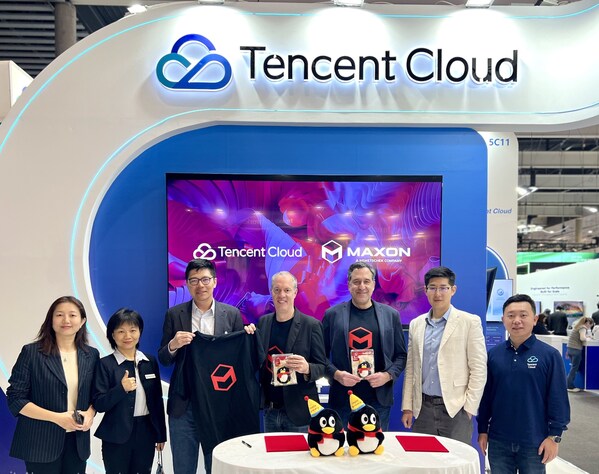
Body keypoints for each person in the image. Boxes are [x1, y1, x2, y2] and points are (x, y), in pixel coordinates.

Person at [158, 258, 243, 474]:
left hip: (218, 405)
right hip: (183, 405)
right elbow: (164, 359)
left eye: (205, 279)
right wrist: (173, 345)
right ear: (187, 284)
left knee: (217, 468)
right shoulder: (174, 314)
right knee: (183, 468)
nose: (200, 285)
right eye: (194, 280)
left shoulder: (231, 314)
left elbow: (239, 359)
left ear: (215, 281)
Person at [477, 294, 570, 473]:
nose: (517, 320)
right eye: (511, 315)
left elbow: (558, 398)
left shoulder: (549, 355)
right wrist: (482, 430)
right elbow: (486, 397)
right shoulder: (494, 355)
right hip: (498, 441)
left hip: (534, 441)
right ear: (503, 320)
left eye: (523, 315)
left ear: (535, 319)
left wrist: (554, 437)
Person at [7, 296, 99, 474]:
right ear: (51, 320)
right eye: (59, 315)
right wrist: (56, 418)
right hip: (40, 442)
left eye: (72, 315)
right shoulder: (32, 353)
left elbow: (96, 394)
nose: (66, 320)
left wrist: (90, 413)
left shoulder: (91, 355)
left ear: (82, 321)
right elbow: (15, 398)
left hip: (77, 443)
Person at [401, 266, 487, 445]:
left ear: (453, 290)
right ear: (425, 290)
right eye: (432, 288)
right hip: (423, 408)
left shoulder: (469, 322)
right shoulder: (417, 324)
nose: (438, 293)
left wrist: (469, 408)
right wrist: (408, 407)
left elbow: (479, 368)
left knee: (455, 460)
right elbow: (411, 369)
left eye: (443, 288)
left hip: (455, 409)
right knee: (424, 459)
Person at [322, 261, 407, 430]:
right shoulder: (332, 315)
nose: (362, 286)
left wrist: (388, 375)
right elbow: (319, 356)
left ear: (373, 284)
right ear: (349, 284)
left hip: (378, 400)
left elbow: (401, 356)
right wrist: (337, 375)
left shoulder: (391, 315)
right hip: (343, 399)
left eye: (366, 281)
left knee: (375, 445)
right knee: (343, 446)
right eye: (356, 281)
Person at [245, 271, 327, 432]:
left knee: (299, 450)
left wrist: (307, 368)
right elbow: (255, 361)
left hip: (299, 412)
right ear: (271, 292)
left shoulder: (311, 325)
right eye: (277, 290)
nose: (281, 295)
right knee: (271, 450)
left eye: (287, 290)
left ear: (295, 292)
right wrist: (248, 337)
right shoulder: (263, 323)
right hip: (270, 411)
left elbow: (322, 367)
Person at [93, 309, 167, 474]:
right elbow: (99, 404)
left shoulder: (149, 361)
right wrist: (121, 389)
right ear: (112, 335)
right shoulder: (105, 364)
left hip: (146, 433)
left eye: (133, 330)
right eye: (121, 331)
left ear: (140, 332)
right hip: (116, 434)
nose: (127, 336)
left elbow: (157, 401)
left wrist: (161, 434)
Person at [566, 316, 593, 393]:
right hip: (576, 350)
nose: (589, 327)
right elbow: (582, 338)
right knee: (574, 369)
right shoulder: (583, 327)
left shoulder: (577, 327)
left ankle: (568, 384)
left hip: (570, 349)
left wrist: (586, 336)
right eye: (590, 325)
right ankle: (570, 386)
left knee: (573, 368)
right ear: (588, 323)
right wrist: (588, 338)